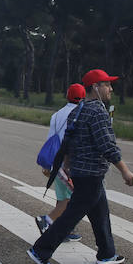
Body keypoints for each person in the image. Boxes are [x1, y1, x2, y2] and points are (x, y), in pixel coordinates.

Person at [27, 69, 133, 264]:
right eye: (107, 84)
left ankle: (107, 253)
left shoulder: (78, 110)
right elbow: (107, 145)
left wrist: (69, 164)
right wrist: (125, 170)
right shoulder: (98, 112)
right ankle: (40, 250)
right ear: (95, 87)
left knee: (100, 214)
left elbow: (69, 141)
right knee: (71, 216)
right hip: (91, 173)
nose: (111, 89)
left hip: (81, 171)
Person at [35, 84, 86, 242]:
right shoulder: (81, 113)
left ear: (67, 96)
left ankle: (64, 229)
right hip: (70, 162)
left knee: (62, 196)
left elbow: (51, 139)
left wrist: (46, 165)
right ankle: (48, 221)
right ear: (83, 97)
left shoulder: (56, 115)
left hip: (56, 160)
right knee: (71, 199)